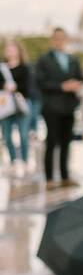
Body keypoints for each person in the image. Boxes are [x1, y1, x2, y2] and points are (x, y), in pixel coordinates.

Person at [35, 28, 83, 188]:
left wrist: (76, 85)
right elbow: (41, 82)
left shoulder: (72, 59)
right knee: (52, 142)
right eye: (56, 38)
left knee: (66, 142)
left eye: (62, 38)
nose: (59, 41)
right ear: (52, 40)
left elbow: (80, 77)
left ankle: (65, 176)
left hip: (69, 106)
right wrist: (62, 86)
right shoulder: (44, 59)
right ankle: (49, 178)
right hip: (52, 106)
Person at [1, 40, 32, 176]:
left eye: (12, 49)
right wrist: (4, 87)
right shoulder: (2, 68)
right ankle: (14, 161)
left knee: (23, 134)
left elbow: (29, 88)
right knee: (7, 135)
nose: (10, 52)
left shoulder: (25, 68)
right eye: (8, 49)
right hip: (5, 106)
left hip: (21, 104)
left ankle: (24, 161)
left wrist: (16, 88)